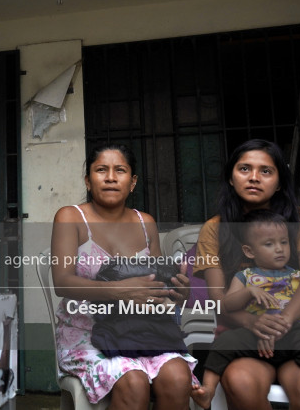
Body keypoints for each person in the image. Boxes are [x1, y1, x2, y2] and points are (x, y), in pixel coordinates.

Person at [50, 143, 197, 409]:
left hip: (141, 329)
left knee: (177, 378)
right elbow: (62, 282)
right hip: (87, 331)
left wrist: (178, 292)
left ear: (133, 182)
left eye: (120, 170)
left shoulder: (146, 223)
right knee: (133, 381)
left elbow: (155, 285)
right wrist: (120, 290)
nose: (110, 177)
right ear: (87, 180)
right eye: (101, 170)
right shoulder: (70, 217)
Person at [195, 139, 300, 410]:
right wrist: (252, 323)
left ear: (280, 182)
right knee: (241, 382)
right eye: (244, 169)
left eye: (266, 171)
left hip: (297, 329)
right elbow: (216, 298)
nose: (254, 178)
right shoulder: (214, 230)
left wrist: (281, 322)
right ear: (230, 177)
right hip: (242, 335)